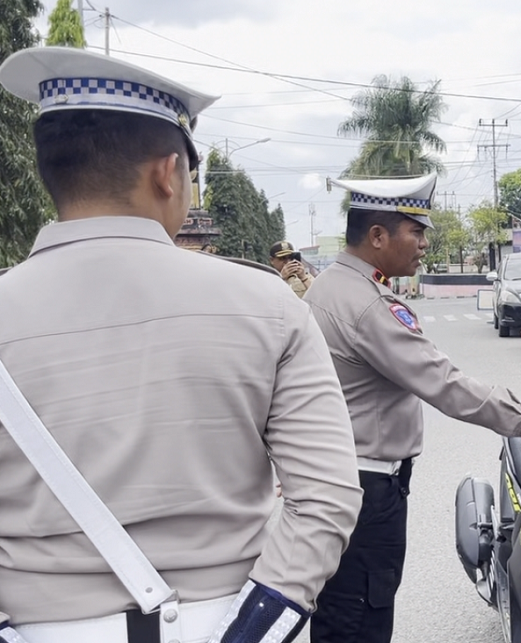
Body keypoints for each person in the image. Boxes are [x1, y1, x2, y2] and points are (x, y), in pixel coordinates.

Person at [0, 47, 362, 642]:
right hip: (230, 622)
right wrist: (256, 629)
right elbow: (327, 496)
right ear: (168, 173)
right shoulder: (267, 304)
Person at [303, 179, 521, 643]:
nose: (425, 244)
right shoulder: (366, 304)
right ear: (378, 236)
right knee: (360, 617)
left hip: (339, 479)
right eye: (415, 232)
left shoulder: (330, 287)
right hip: (365, 490)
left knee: (343, 611)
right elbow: (445, 384)